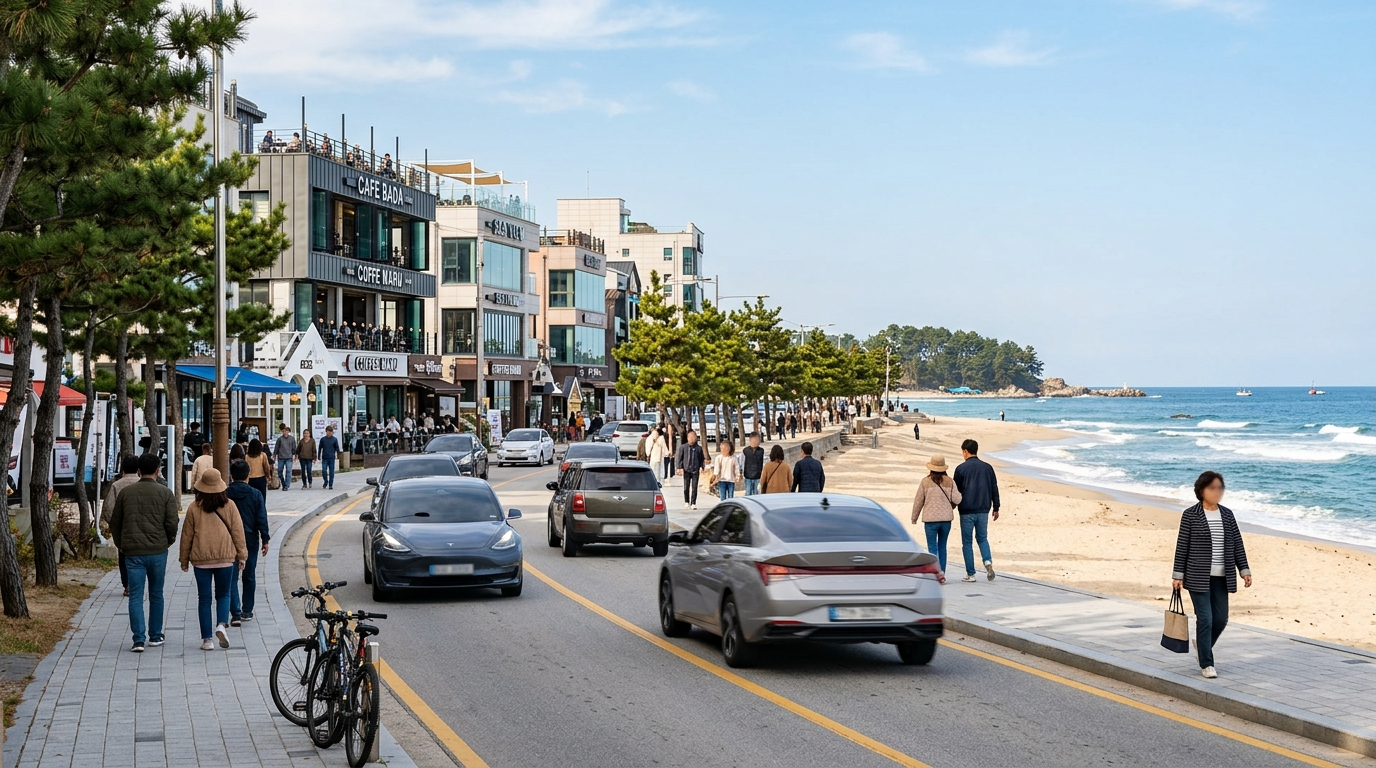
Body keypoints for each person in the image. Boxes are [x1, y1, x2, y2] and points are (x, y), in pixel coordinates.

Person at [1172, 471, 1252, 680]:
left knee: (1221, 619)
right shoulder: (1190, 514)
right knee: (1205, 619)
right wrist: (1177, 575)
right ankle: (1207, 663)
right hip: (1197, 575)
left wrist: (1244, 569)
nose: (1217, 492)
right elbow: (1182, 546)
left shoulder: (1227, 514)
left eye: (1220, 488)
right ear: (1201, 490)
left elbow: (1237, 544)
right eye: (1212, 488)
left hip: (1222, 576)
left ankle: (1202, 645)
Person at [109, 453, 180, 652]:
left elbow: (115, 521)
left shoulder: (126, 493)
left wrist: (120, 543)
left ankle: (138, 639)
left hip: (132, 551)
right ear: (158, 470)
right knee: (157, 594)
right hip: (158, 550)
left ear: (139, 471)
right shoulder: (165, 493)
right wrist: (168, 541)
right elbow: (172, 522)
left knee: (136, 596)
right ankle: (155, 635)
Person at [178, 468, 247, 651]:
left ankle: (207, 640)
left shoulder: (194, 507)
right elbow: (238, 532)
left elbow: (186, 536)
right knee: (224, 594)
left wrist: (183, 560)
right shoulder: (230, 505)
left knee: (204, 598)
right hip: (225, 557)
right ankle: (221, 625)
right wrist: (242, 555)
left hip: (201, 559)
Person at [226, 460, 271, 626]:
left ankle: (235, 612)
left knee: (231, 578)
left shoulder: (225, 494)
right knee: (249, 575)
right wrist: (265, 539)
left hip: (229, 540)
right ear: (248, 475)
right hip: (250, 539)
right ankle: (247, 610)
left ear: (231, 475)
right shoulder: (255, 494)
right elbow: (261, 518)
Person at [953, 439, 999, 582]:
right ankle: (987, 562)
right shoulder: (987, 468)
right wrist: (996, 507)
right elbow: (994, 488)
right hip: (983, 509)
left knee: (967, 542)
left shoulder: (960, 469)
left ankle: (971, 574)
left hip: (966, 510)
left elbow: (956, 491)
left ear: (965, 451)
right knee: (982, 538)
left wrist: (952, 506)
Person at [911, 455, 960, 580]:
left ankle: (935, 573)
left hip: (930, 520)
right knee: (942, 546)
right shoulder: (950, 481)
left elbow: (918, 501)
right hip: (946, 520)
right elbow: (958, 499)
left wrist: (914, 517)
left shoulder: (925, 482)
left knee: (932, 547)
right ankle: (942, 572)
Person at [100, 455, 141, 597]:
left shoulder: (116, 485)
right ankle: (137, 583)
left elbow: (108, 508)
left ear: (123, 468)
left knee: (124, 558)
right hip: (141, 526)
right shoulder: (142, 483)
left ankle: (127, 585)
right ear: (138, 469)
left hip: (123, 527)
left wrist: (115, 523)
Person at [675, 430, 706, 509]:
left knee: (694, 487)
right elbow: (679, 458)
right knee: (686, 487)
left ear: (696, 438)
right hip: (686, 470)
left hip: (695, 470)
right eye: (690, 437)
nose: (692, 439)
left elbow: (702, 459)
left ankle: (693, 503)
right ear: (687, 438)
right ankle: (686, 501)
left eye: (693, 437)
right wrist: (679, 468)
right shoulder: (683, 447)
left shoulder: (699, 448)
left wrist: (702, 467)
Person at [245, 438, 273, 506]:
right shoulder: (263, 455)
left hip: (250, 479)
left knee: (250, 498)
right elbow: (266, 467)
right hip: (260, 478)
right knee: (262, 498)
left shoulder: (246, 457)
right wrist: (268, 476)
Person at [318, 425, 341, 490]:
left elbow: (337, 448)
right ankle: (326, 481)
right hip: (325, 457)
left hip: (331, 458)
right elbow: (320, 448)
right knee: (324, 470)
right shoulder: (323, 439)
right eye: (328, 431)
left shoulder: (334, 439)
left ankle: (330, 484)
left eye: (331, 432)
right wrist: (318, 455)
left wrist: (338, 454)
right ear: (326, 432)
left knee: (331, 472)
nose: (329, 433)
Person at [274, 425, 296, 490]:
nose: (285, 432)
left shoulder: (292, 439)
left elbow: (294, 448)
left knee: (288, 471)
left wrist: (295, 455)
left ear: (288, 431)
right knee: (280, 472)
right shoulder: (280, 439)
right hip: (281, 457)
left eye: (286, 431)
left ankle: (287, 485)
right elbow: (276, 447)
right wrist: (275, 454)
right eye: (284, 431)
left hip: (289, 457)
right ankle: (283, 483)